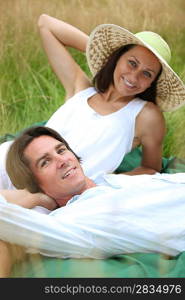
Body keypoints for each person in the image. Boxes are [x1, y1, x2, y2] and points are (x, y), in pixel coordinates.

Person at [1, 15, 185, 192]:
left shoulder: (145, 115)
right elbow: (46, 24)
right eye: (131, 63)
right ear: (118, 57)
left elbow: (150, 168)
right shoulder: (80, 88)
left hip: (55, 194)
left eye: (147, 74)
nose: (134, 76)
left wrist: (100, 186)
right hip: (9, 162)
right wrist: (107, 55)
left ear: (152, 82)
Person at [1, 126, 185, 270]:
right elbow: (6, 218)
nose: (62, 160)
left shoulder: (112, 179)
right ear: (33, 183)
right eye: (45, 162)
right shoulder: (72, 222)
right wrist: (33, 198)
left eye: (61, 150)